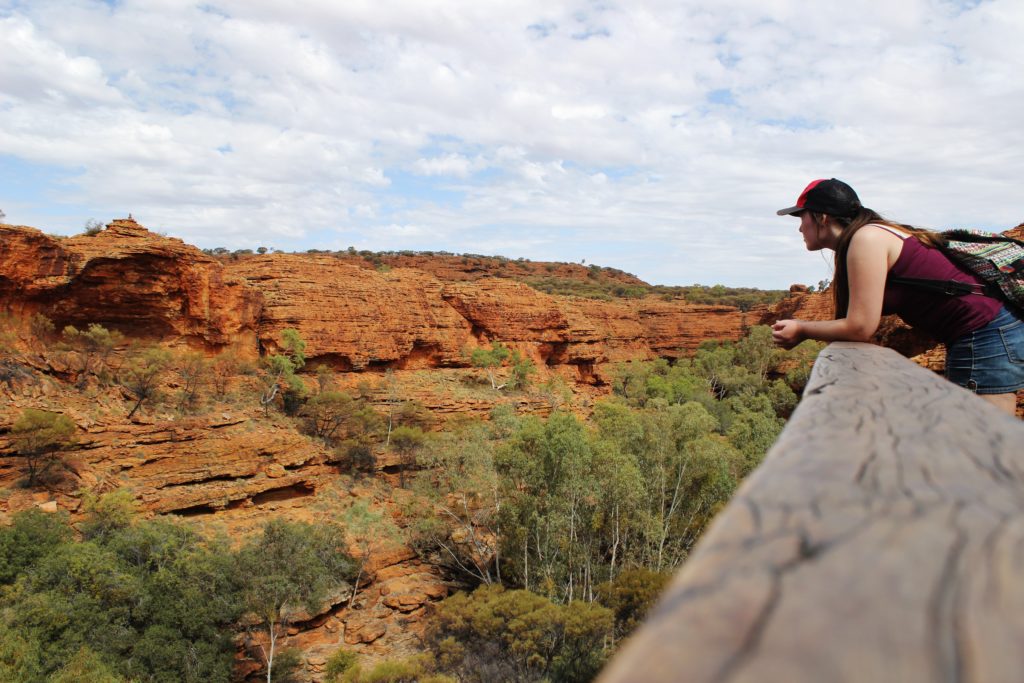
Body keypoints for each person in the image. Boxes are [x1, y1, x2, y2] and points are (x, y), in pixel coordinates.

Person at [771, 178, 1024, 416]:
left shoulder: (866, 239)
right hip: (987, 333)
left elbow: (860, 327)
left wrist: (801, 329)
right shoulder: (867, 237)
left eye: (801, 217)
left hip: (986, 336)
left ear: (822, 217)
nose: (799, 227)